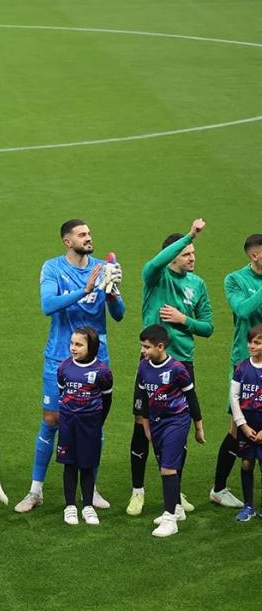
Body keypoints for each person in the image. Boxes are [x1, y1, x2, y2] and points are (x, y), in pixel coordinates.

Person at [16, 220, 123, 514]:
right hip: (59, 357)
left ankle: (91, 489)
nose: (89, 238)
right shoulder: (52, 268)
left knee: (93, 422)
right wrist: (85, 289)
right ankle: (35, 490)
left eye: (89, 233)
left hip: (96, 362)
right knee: (52, 420)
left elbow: (119, 315)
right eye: (82, 234)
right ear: (67, 241)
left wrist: (112, 293)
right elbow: (48, 305)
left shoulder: (103, 267)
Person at [127, 220, 213, 516]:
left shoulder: (197, 284)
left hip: (182, 364)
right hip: (150, 365)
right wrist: (189, 235)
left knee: (179, 427)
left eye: (193, 253)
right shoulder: (155, 277)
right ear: (173, 255)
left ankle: (174, 493)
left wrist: (183, 319)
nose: (192, 257)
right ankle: (137, 491)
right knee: (142, 423)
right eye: (187, 253)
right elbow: (154, 262)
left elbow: (208, 327)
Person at [134, 325, 205, 537]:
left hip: (177, 421)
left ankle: (170, 519)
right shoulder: (144, 367)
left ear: (160, 346)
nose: (143, 351)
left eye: (146, 347)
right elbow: (145, 398)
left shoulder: (177, 369)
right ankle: (177, 508)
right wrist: (146, 425)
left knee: (167, 469)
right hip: (156, 423)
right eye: (142, 346)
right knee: (164, 466)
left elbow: (192, 398)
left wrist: (198, 427)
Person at [212, 234, 262, 508]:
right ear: (255, 255)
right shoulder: (234, 279)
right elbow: (243, 310)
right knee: (238, 427)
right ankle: (219, 488)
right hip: (246, 363)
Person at [55, 327, 113, 526]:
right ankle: (70, 506)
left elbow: (107, 400)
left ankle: (88, 506)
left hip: (90, 425)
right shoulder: (64, 367)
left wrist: (96, 422)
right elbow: (62, 392)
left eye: (79, 344)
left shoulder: (102, 371)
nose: (73, 348)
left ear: (92, 346)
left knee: (88, 466)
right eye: (72, 343)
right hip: (68, 424)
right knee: (69, 464)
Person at [230, 324, 262, 521]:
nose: (252, 346)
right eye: (250, 342)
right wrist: (242, 424)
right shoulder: (242, 367)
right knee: (246, 463)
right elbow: (234, 398)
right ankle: (248, 505)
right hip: (247, 426)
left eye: (257, 343)